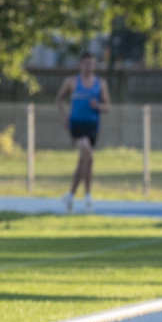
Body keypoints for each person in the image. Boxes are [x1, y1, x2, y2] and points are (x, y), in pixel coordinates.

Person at [55, 52, 110, 213]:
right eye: (86, 63)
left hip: (92, 126)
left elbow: (107, 106)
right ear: (81, 64)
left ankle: (70, 196)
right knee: (89, 156)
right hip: (76, 125)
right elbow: (59, 99)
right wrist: (64, 117)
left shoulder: (100, 83)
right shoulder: (71, 82)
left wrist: (98, 106)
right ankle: (88, 197)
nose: (89, 66)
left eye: (92, 64)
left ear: (95, 65)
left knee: (83, 162)